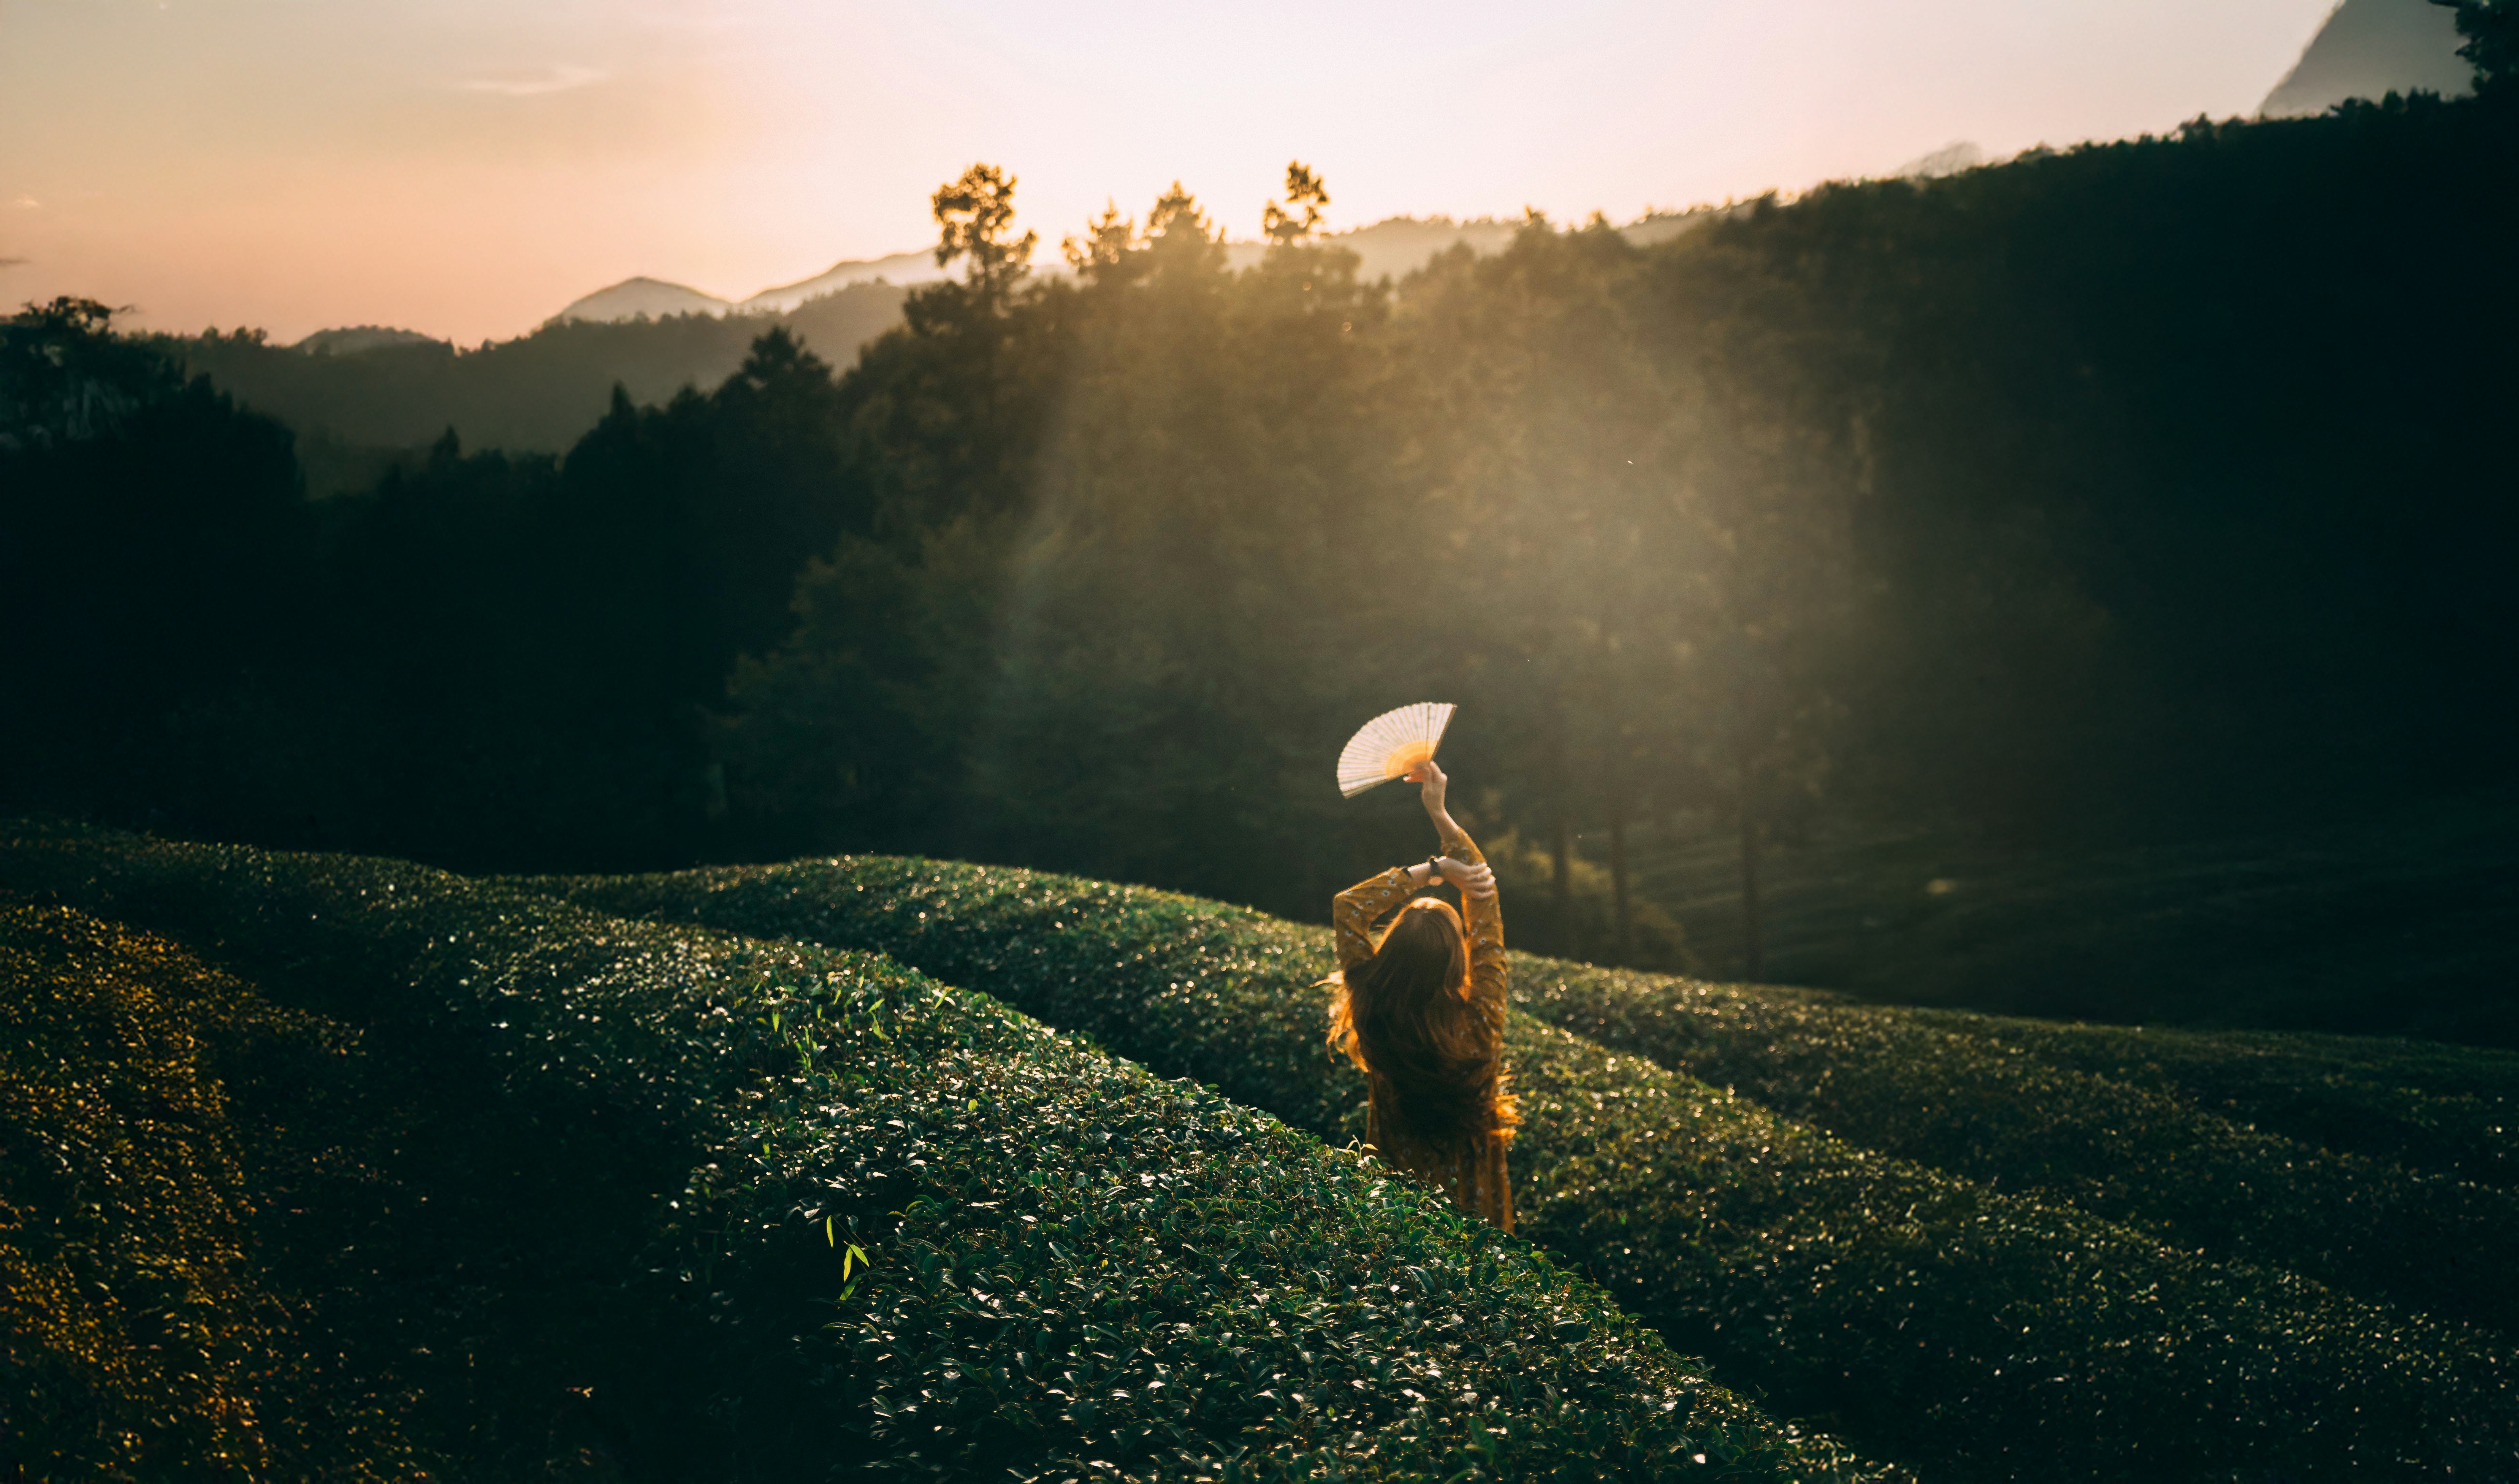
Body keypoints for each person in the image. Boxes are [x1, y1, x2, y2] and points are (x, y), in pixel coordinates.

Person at [1325, 758, 1518, 1231]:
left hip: (1395, 1207)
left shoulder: (1370, 1003)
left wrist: (1432, 870)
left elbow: (1348, 908)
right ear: (1456, 962)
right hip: (1478, 1208)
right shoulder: (1480, 1016)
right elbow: (1484, 899)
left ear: (1392, 951)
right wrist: (1439, 813)